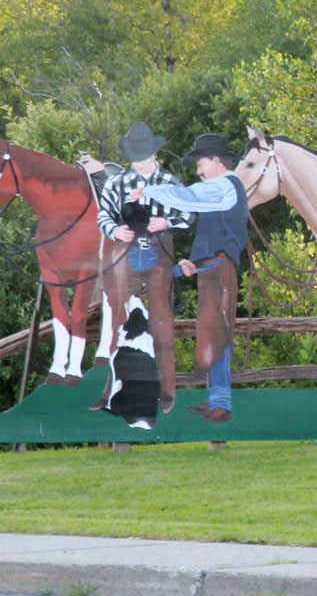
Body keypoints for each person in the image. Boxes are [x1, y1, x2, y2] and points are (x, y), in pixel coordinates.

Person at [134, 134, 248, 423]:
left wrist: (149, 191)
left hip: (219, 270)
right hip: (211, 268)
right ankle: (217, 400)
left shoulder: (226, 186)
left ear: (216, 160)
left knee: (217, 332)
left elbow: (190, 197)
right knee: (213, 332)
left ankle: (220, 404)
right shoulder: (221, 190)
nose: (198, 171)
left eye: (200, 164)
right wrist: (194, 265)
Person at [92, 122, 193, 412]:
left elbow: (188, 216)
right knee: (120, 320)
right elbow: (103, 215)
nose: (138, 161)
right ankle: (113, 391)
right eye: (134, 155)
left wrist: (167, 222)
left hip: (160, 251)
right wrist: (114, 230)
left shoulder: (170, 182)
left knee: (161, 319)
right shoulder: (117, 183)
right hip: (126, 252)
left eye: (142, 155)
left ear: (153, 152)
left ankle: (167, 391)